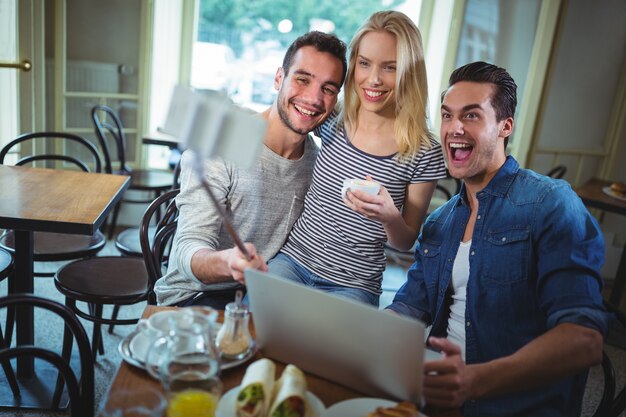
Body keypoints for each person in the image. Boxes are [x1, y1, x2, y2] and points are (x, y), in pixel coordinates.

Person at [387, 61, 609, 416]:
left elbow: (584, 340)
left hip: (514, 406)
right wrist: (359, 334)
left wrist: (474, 380)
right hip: (436, 396)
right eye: (447, 115)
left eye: (471, 116)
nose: (454, 128)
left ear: (505, 126)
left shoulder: (549, 203)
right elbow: (410, 308)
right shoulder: (440, 223)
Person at [154, 31, 347, 309]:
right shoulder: (223, 139)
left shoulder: (319, 165)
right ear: (278, 78)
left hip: (267, 294)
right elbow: (186, 250)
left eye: (328, 89)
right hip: (198, 296)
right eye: (302, 79)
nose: (314, 98)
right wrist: (228, 262)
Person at [268, 11, 447, 306]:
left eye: (390, 67)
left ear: (408, 72)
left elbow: (405, 241)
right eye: (364, 63)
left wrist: (390, 215)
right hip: (292, 263)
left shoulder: (423, 149)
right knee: (255, 331)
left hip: (354, 284)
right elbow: (286, 117)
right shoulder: (335, 118)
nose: (373, 79)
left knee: (329, 353)